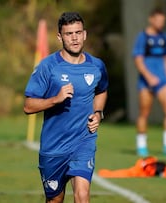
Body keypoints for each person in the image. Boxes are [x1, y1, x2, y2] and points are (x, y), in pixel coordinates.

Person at [24, 12, 108, 203]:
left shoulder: (97, 66)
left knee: (82, 195)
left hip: (83, 141)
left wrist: (97, 113)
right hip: (54, 146)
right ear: (60, 37)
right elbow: (28, 106)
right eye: (69, 34)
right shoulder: (48, 67)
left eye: (78, 32)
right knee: (55, 199)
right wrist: (55, 99)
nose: (75, 38)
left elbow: (102, 90)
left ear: (85, 34)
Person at [132, 8, 166, 157]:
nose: (160, 23)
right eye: (158, 20)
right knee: (144, 112)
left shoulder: (165, 38)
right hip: (146, 82)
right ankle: (141, 146)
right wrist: (149, 76)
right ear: (151, 19)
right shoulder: (143, 37)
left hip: (163, 81)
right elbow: (138, 60)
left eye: (163, 20)